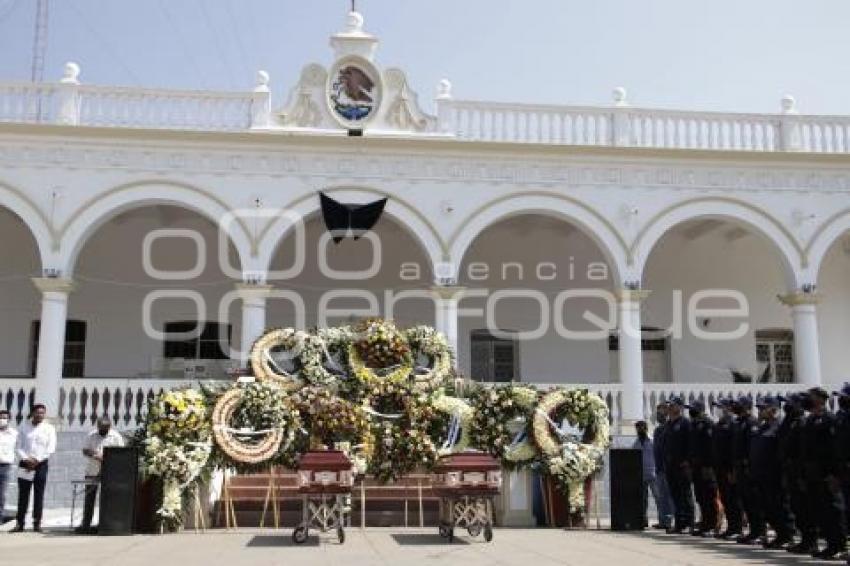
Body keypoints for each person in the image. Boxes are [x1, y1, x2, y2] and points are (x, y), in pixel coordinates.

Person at [802, 387, 847, 559]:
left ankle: (840, 545)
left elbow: (834, 450)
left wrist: (834, 474)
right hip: (814, 473)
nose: (808, 400)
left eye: (811, 397)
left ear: (821, 399)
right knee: (821, 511)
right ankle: (830, 544)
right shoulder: (811, 420)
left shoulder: (829, 419)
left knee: (833, 511)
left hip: (828, 473)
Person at [750, 396, 795, 548]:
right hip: (761, 474)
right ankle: (780, 535)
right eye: (760, 408)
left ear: (774, 409)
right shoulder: (762, 427)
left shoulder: (780, 426)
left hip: (775, 475)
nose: (760, 411)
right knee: (767, 507)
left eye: (764, 408)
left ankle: (787, 535)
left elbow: (783, 451)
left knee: (780, 506)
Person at [781, 393, 817, 555]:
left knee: (806, 509)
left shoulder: (803, 422)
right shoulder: (789, 422)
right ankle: (805, 541)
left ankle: (811, 542)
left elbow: (804, 451)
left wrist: (802, 474)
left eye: (790, 403)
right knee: (797, 508)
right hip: (791, 471)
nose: (787, 406)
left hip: (800, 472)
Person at [12, 404, 56, 533]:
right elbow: (18, 446)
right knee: (23, 495)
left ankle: (37, 523)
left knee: (39, 494)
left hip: (41, 464)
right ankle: (20, 523)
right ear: (32, 413)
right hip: (25, 463)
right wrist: (26, 459)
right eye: (38, 412)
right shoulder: (23, 427)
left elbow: (51, 448)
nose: (40, 415)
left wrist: (37, 460)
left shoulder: (49, 428)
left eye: (42, 413)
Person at [76, 417, 125, 534]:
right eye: (101, 429)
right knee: (89, 498)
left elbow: (121, 453)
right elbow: (85, 450)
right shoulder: (91, 435)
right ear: (97, 426)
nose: (103, 431)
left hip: (110, 471)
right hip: (92, 470)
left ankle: (105, 523)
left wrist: (108, 458)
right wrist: (95, 454)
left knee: (107, 498)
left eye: (105, 429)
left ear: (109, 427)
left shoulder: (116, 436)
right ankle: (86, 524)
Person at [732, 395, 765, 545]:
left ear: (746, 406)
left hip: (748, 468)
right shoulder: (739, 423)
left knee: (754, 502)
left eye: (739, 405)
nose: (735, 407)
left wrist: (749, 466)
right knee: (746, 502)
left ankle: (760, 532)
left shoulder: (752, 423)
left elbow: (752, 448)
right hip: (739, 467)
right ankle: (753, 531)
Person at [687, 400, 719, 536]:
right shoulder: (694, 424)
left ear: (700, 409)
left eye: (693, 409)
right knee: (700, 497)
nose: (690, 411)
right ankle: (705, 523)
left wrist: (709, 465)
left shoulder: (707, 424)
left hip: (706, 467)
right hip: (696, 467)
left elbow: (711, 447)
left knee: (709, 496)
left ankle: (712, 525)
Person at [712, 398, 743, 539]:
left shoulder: (733, 424)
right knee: (725, 499)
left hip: (729, 469)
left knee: (733, 500)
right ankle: (731, 527)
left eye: (721, 407)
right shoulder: (719, 424)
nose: (719, 409)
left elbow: (733, 448)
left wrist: (732, 470)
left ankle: (737, 528)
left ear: (729, 408)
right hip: (719, 468)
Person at [664, 397, 695, 534]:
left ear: (680, 407)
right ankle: (679, 523)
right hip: (671, 466)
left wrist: (687, 460)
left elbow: (691, 443)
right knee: (675, 495)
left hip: (682, 465)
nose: (670, 407)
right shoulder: (669, 424)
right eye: (669, 405)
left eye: (673, 405)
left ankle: (689, 523)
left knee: (685, 494)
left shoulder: (685, 423)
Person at [652, 403, 675, 530]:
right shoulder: (658, 429)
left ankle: (670, 520)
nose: (659, 414)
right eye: (658, 412)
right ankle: (663, 520)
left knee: (670, 495)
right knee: (662, 496)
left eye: (662, 411)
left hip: (668, 467)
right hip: (659, 467)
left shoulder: (669, 428)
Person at [633, 420, 659, 529]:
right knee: (643, 500)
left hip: (653, 474)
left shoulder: (652, 441)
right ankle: (643, 520)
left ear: (646, 428)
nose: (639, 430)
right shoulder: (636, 443)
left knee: (658, 498)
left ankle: (663, 520)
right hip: (641, 475)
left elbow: (658, 456)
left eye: (641, 428)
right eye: (638, 428)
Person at [0, 409, 18, 521]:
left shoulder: (14, 434)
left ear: (9, 419)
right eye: (1, 417)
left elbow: (20, 448)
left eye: (5, 418)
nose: (2, 420)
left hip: (5, 466)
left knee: (1, 494)